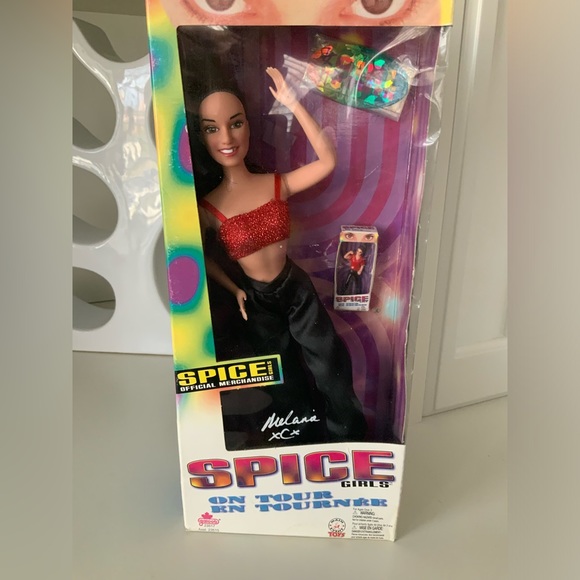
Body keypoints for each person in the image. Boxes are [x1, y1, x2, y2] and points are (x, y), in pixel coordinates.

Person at [194, 67, 367, 443]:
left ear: (248, 126)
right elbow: (195, 256)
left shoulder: (275, 183)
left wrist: (292, 102)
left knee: (330, 364)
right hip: (256, 299)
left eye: (236, 123)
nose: (227, 138)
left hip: (296, 288)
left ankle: (348, 439)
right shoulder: (207, 208)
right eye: (211, 129)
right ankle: (295, 441)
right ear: (200, 136)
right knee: (281, 377)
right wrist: (233, 289)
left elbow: (327, 161)